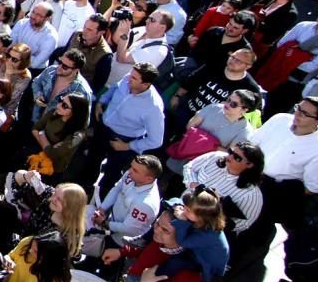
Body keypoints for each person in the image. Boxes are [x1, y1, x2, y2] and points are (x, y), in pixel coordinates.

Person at [250, 96, 318, 228]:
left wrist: (281, 192)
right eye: (298, 108)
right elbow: (252, 142)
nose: (297, 114)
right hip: (246, 171)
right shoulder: (279, 119)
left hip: (269, 192)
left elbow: (312, 187)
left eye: (305, 113)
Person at [92, 64, 165, 197]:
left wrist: (127, 146)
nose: (128, 78)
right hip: (103, 129)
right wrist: (101, 102)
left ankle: (99, 202)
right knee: (92, 160)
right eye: (131, 75)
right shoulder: (127, 79)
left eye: (134, 78)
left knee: (110, 175)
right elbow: (114, 88)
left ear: (145, 84)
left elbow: (156, 140)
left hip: (123, 140)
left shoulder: (153, 107)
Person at [182, 142, 265, 235]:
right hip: (181, 206)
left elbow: (243, 223)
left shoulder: (251, 195)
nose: (229, 157)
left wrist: (210, 223)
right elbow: (190, 167)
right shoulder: (215, 157)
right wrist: (193, 184)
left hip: (201, 230)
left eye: (237, 157)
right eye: (231, 152)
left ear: (249, 165)